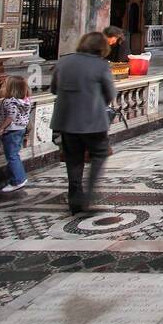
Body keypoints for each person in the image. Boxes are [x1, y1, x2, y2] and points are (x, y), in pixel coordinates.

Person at [50, 31, 117, 214]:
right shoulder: (100, 65)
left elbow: (54, 89)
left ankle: (74, 197)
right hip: (93, 121)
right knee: (99, 154)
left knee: (73, 159)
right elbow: (110, 94)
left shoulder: (64, 62)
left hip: (66, 121)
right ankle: (89, 194)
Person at [0, 75, 33, 193]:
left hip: (11, 130)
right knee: (14, 154)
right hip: (20, 129)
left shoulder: (9, 102)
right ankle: (20, 177)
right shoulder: (24, 101)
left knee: (11, 156)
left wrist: (1, 128)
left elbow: (11, 116)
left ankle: (17, 180)